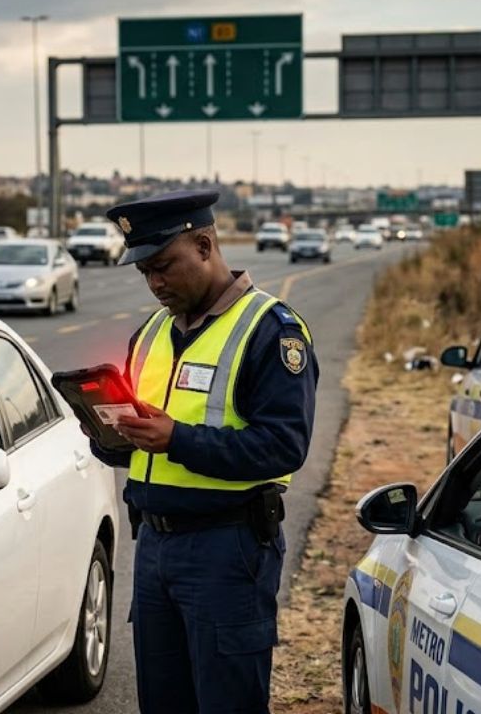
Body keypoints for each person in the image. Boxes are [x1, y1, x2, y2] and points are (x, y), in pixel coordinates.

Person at [85, 190, 318, 713]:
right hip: (155, 549)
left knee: (226, 702)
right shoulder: (151, 334)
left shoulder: (271, 331)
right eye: (145, 272)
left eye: (164, 266)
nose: (155, 283)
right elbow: (145, 445)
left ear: (207, 244)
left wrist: (177, 439)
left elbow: (284, 447)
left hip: (228, 550)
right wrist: (109, 434)